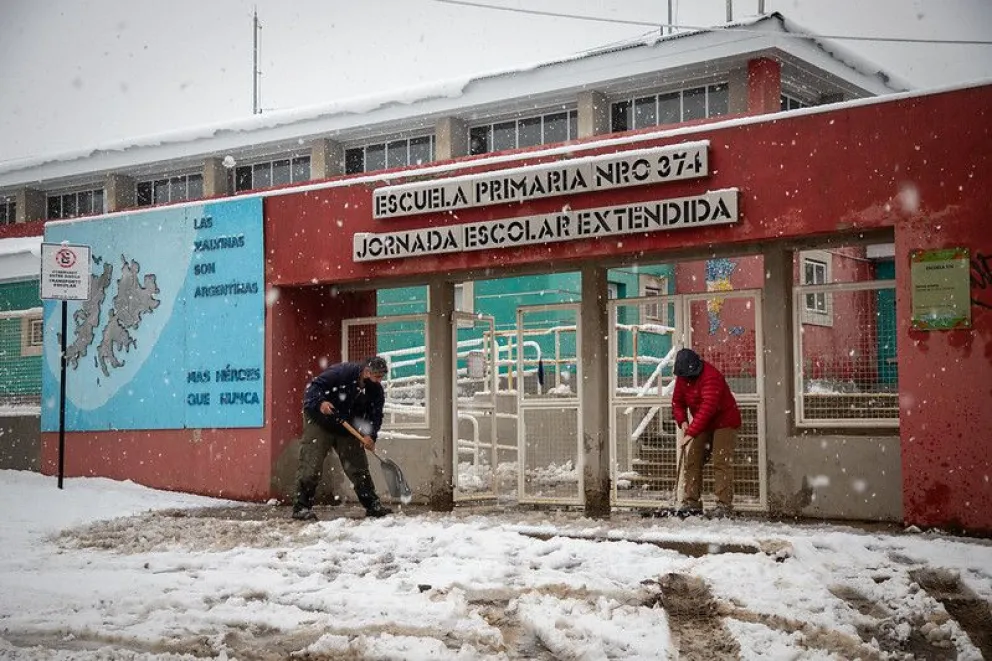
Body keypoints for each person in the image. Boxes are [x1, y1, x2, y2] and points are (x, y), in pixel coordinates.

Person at [292, 356, 393, 520]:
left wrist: (370, 435)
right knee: (311, 464)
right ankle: (301, 507)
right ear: (367, 371)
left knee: (358, 467)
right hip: (320, 421)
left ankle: (372, 505)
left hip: (347, 426)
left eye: (382, 377)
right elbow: (313, 388)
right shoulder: (341, 373)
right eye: (378, 376)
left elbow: (376, 415)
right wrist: (321, 402)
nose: (379, 380)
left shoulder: (375, 390)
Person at [671, 348, 742, 518]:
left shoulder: (711, 376)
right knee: (693, 460)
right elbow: (677, 402)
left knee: (721, 461)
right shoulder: (682, 378)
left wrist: (690, 433)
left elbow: (707, 408)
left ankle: (724, 506)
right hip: (704, 424)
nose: (687, 379)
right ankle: (691, 502)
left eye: (689, 375)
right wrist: (683, 422)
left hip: (724, 421)